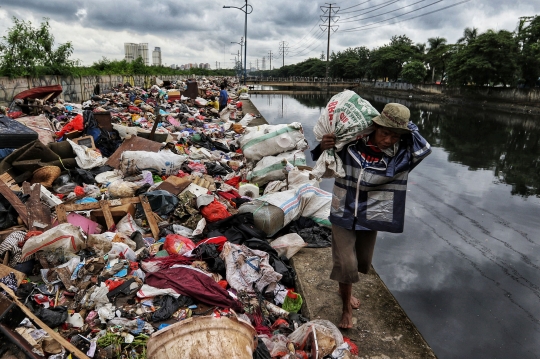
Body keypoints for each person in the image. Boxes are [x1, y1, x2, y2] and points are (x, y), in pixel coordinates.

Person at [311, 102, 432, 329]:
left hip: (372, 212)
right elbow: (321, 158)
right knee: (346, 262)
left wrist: (404, 126)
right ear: (374, 127)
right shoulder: (351, 143)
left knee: (361, 261)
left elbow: (424, 148)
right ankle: (346, 307)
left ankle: (343, 287)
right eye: (385, 132)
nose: (388, 140)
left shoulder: (400, 156)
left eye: (395, 136)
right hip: (343, 209)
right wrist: (322, 146)